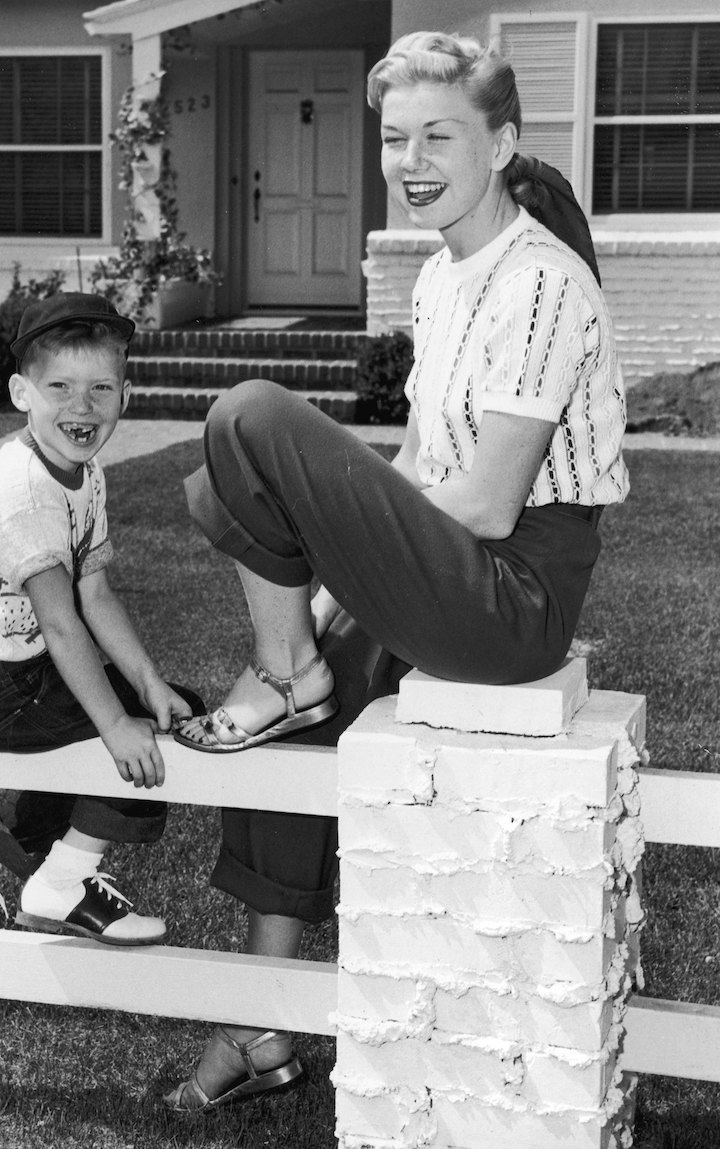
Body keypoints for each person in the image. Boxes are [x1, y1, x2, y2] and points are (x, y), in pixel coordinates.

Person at [164, 31, 628, 1110]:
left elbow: (489, 502)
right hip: (441, 565)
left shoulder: (542, 283)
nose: (410, 161)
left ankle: (286, 673)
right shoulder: (438, 276)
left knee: (249, 417)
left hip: (509, 596)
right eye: (394, 139)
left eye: (439, 137)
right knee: (230, 511)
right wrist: (332, 596)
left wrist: (339, 535)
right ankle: (263, 1028)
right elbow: (419, 463)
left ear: (500, 144)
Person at [0, 292, 202, 946]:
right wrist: (118, 722)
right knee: (124, 727)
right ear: (22, 393)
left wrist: (149, 681)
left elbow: (96, 594)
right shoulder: (27, 488)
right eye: (60, 387)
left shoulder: (84, 473)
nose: (82, 406)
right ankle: (64, 881)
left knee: (144, 708)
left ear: (125, 396)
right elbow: (64, 622)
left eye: (101, 388)